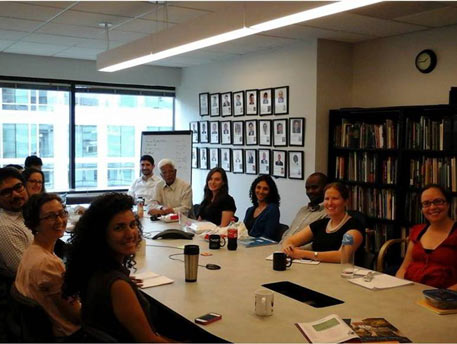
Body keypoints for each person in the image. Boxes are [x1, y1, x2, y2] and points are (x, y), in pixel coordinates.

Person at [62, 193, 172, 342]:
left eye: (132, 225)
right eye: (119, 228)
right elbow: (149, 340)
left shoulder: (92, 269)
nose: (130, 234)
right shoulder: (117, 286)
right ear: (100, 234)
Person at [15, 193, 81, 338]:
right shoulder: (48, 264)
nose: (59, 220)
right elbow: (77, 316)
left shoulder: (32, 251)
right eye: (50, 217)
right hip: (71, 334)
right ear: (35, 223)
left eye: (61, 213)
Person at [282, 182, 364, 263]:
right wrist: (289, 247)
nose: (330, 203)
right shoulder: (321, 224)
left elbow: (342, 256)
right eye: (327, 199)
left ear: (346, 202)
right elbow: (290, 240)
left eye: (335, 198)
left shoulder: (354, 226)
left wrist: (303, 253)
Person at [396, 184, 457, 290]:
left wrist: (443, 296)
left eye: (438, 201)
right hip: (409, 292)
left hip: (445, 299)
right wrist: (399, 287)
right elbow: (404, 268)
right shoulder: (417, 231)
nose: (432, 207)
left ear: (448, 204)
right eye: (426, 204)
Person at [0, 167, 33, 274]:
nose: (15, 195)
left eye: (18, 187)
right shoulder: (5, 227)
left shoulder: (24, 214)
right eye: (6, 192)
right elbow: (27, 273)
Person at [281, 173, 328, 241]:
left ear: (325, 188)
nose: (310, 191)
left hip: (297, 250)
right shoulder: (303, 210)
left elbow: (315, 243)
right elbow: (289, 231)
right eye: (307, 188)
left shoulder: (327, 214)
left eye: (314, 187)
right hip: (280, 247)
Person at [243, 175, 280, 240]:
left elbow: (268, 236)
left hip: (262, 246)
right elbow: (243, 232)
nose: (261, 191)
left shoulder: (272, 210)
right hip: (246, 244)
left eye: (265, 189)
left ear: (271, 192)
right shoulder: (250, 210)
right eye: (258, 187)